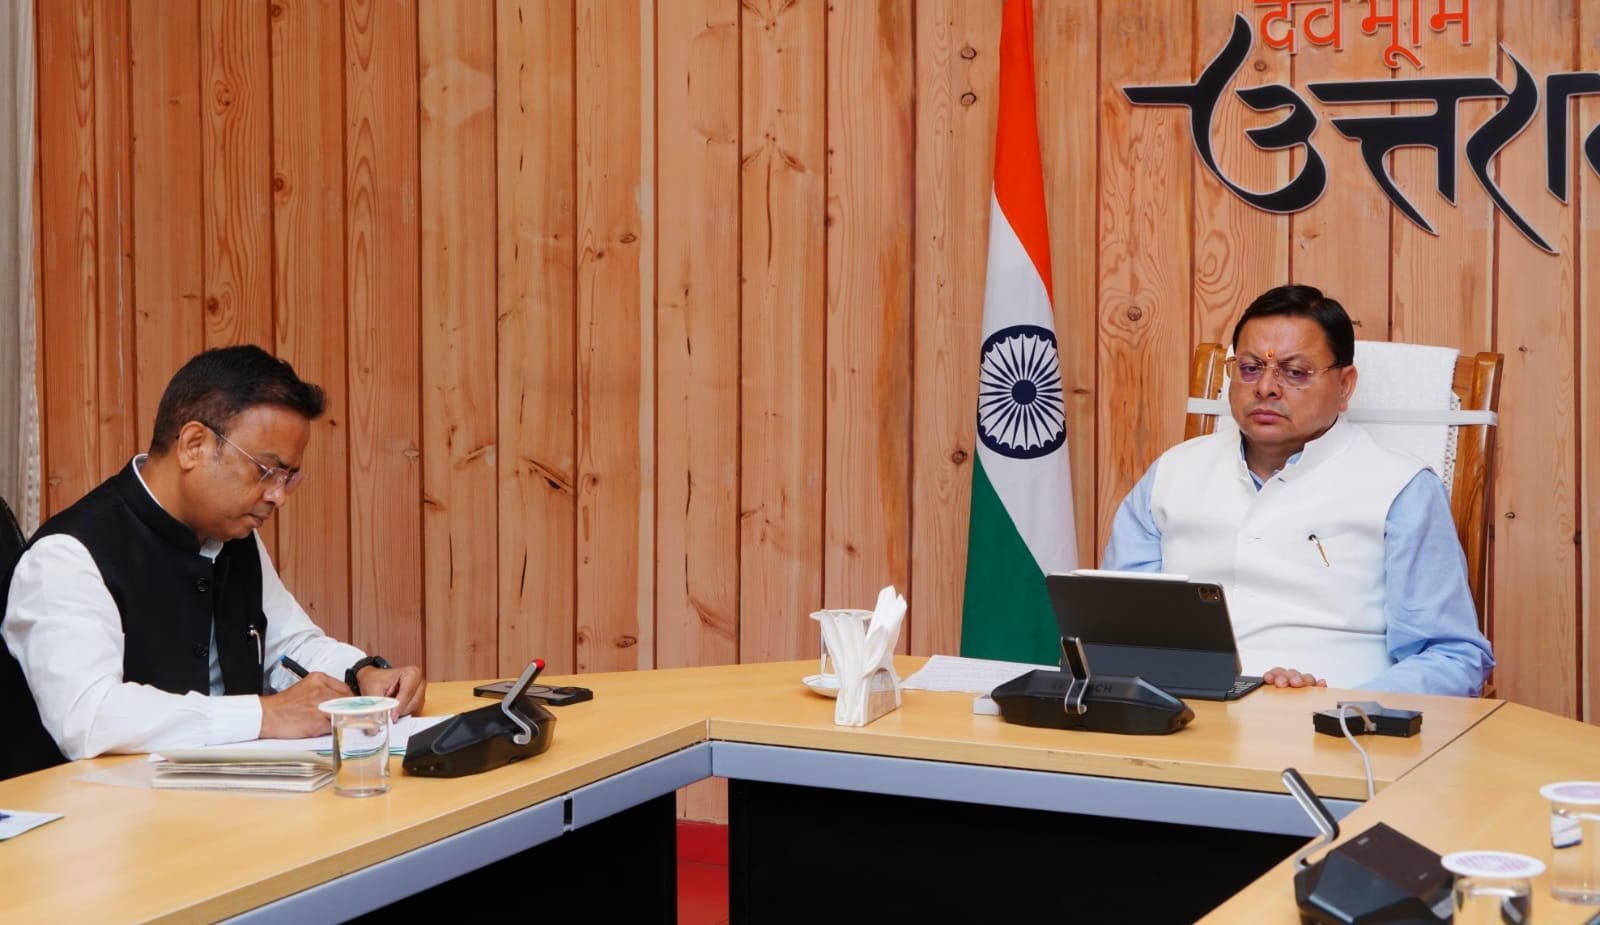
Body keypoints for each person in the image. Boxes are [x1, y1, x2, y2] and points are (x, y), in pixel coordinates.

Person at [0, 345, 426, 777]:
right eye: (266, 471)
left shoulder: (234, 535)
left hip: (219, 795)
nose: (277, 496)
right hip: (86, 808)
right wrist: (266, 715)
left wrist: (363, 676)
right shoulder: (67, 556)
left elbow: (290, 648)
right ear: (194, 445)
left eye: (288, 478)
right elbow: (88, 717)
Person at [1101, 285, 1493, 695]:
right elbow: (1114, 628)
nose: (1266, 387)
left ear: (1345, 385)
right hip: (1187, 710)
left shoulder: (1401, 488)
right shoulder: (1173, 473)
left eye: (1295, 372)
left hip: (1341, 719)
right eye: (1250, 368)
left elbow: (1451, 656)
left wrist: (1346, 708)